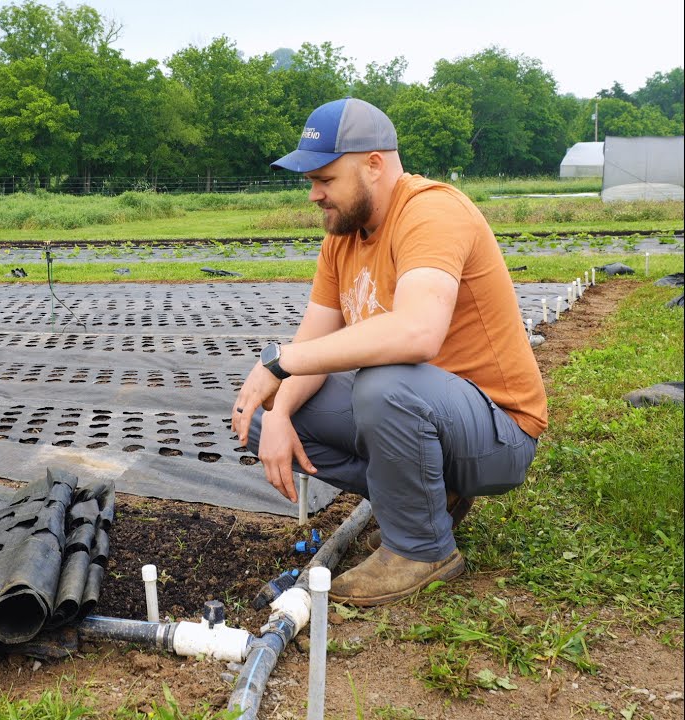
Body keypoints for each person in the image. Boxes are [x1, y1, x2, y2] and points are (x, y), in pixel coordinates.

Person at [232, 99, 546, 606]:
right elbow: (310, 344)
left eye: (325, 179)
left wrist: (280, 362)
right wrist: (280, 410)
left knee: (383, 383)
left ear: (374, 164)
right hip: (424, 416)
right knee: (260, 417)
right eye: (310, 181)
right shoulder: (342, 238)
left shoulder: (431, 211)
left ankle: (421, 550)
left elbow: (417, 334)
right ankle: (427, 501)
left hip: (497, 434)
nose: (314, 195)